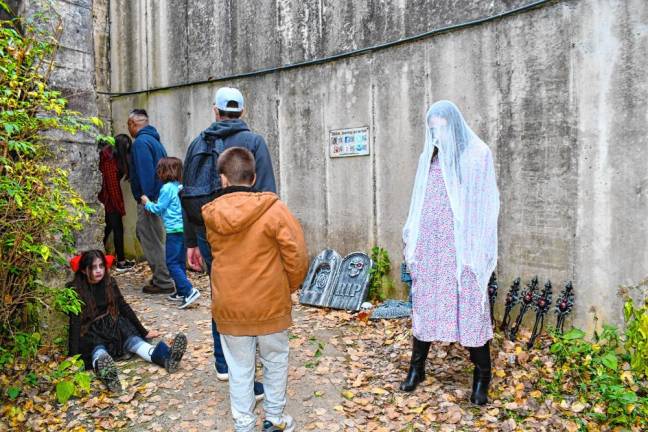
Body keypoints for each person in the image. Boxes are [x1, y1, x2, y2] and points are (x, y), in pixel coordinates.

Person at [202, 147, 308, 432]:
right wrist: (289, 285)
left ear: (223, 179)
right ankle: (274, 419)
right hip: (270, 302)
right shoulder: (274, 209)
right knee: (275, 360)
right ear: (255, 176)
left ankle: (244, 424)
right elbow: (297, 254)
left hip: (229, 305)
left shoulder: (211, 214)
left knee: (239, 369)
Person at [400, 101, 500, 406]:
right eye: (432, 128)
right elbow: (418, 204)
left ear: (454, 124)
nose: (436, 134)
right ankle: (417, 368)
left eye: (441, 127)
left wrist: (477, 251)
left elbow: (486, 206)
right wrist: (412, 242)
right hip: (432, 249)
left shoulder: (477, 155)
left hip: (463, 251)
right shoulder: (430, 157)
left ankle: (482, 375)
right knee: (427, 305)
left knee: (469, 308)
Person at [181, 87, 275, 395]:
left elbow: (189, 196)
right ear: (243, 112)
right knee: (253, 293)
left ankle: (224, 363)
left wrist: (191, 243)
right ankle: (247, 362)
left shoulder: (197, 143)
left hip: (211, 234)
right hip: (248, 236)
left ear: (215, 111)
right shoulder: (253, 142)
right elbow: (267, 195)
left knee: (221, 293)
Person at [67, 250, 187, 392]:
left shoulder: (109, 282)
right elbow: (74, 322)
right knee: (98, 351)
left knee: (136, 342)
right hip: (91, 330)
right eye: (93, 267)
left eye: (101, 266)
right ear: (83, 270)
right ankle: (108, 375)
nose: (99, 271)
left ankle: (167, 358)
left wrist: (144, 331)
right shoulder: (74, 289)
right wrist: (73, 355)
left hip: (113, 325)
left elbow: (124, 307)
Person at [141, 157, 200, 309]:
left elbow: (158, 209)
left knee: (172, 263)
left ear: (164, 172)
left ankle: (189, 290)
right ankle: (181, 291)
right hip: (184, 230)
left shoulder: (166, 189)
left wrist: (147, 203)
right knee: (179, 262)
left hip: (173, 231)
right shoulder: (180, 187)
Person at [127, 109, 175, 294]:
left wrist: (147, 201)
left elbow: (146, 174)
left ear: (133, 124)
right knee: (150, 236)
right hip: (160, 197)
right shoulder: (155, 141)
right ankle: (162, 276)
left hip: (150, 200)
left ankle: (163, 281)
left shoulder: (140, 143)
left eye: (128, 125)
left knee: (151, 239)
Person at [98, 134, 134, 271]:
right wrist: (119, 206)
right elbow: (112, 187)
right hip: (109, 200)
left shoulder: (108, 157)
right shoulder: (110, 161)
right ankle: (121, 263)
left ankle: (100, 257)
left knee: (107, 229)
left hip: (106, 199)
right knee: (117, 229)